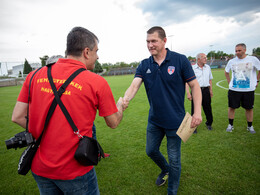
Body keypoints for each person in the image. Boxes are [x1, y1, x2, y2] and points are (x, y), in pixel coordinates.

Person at [11, 26, 123, 194]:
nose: (97, 56)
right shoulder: (96, 82)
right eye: (96, 51)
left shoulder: (34, 75)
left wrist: (45, 131)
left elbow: (18, 116)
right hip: (76, 170)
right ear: (86, 52)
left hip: (40, 168)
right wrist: (120, 105)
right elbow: (113, 122)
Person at [122, 26, 202, 195]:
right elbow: (134, 85)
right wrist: (125, 99)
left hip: (176, 121)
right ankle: (165, 169)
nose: (150, 45)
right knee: (150, 151)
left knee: (174, 160)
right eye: (147, 42)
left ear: (164, 41)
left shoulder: (180, 60)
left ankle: (171, 191)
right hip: (155, 121)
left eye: (154, 41)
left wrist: (197, 112)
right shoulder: (144, 64)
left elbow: (194, 86)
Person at [225, 43, 260, 134]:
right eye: (236, 50)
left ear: (245, 50)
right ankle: (230, 125)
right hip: (234, 90)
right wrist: (230, 83)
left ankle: (250, 126)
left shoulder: (253, 59)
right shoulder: (231, 61)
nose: (237, 52)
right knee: (232, 107)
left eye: (239, 50)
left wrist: (257, 80)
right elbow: (226, 72)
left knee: (249, 108)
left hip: (248, 90)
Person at [186, 53, 213, 133]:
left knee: (208, 108)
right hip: (196, 91)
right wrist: (188, 93)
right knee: (194, 109)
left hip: (206, 91)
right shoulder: (192, 68)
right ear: (198, 59)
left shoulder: (208, 67)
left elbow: (210, 79)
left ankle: (209, 123)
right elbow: (187, 82)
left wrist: (210, 90)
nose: (206, 59)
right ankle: (194, 127)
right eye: (204, 58)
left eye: (206, 57)